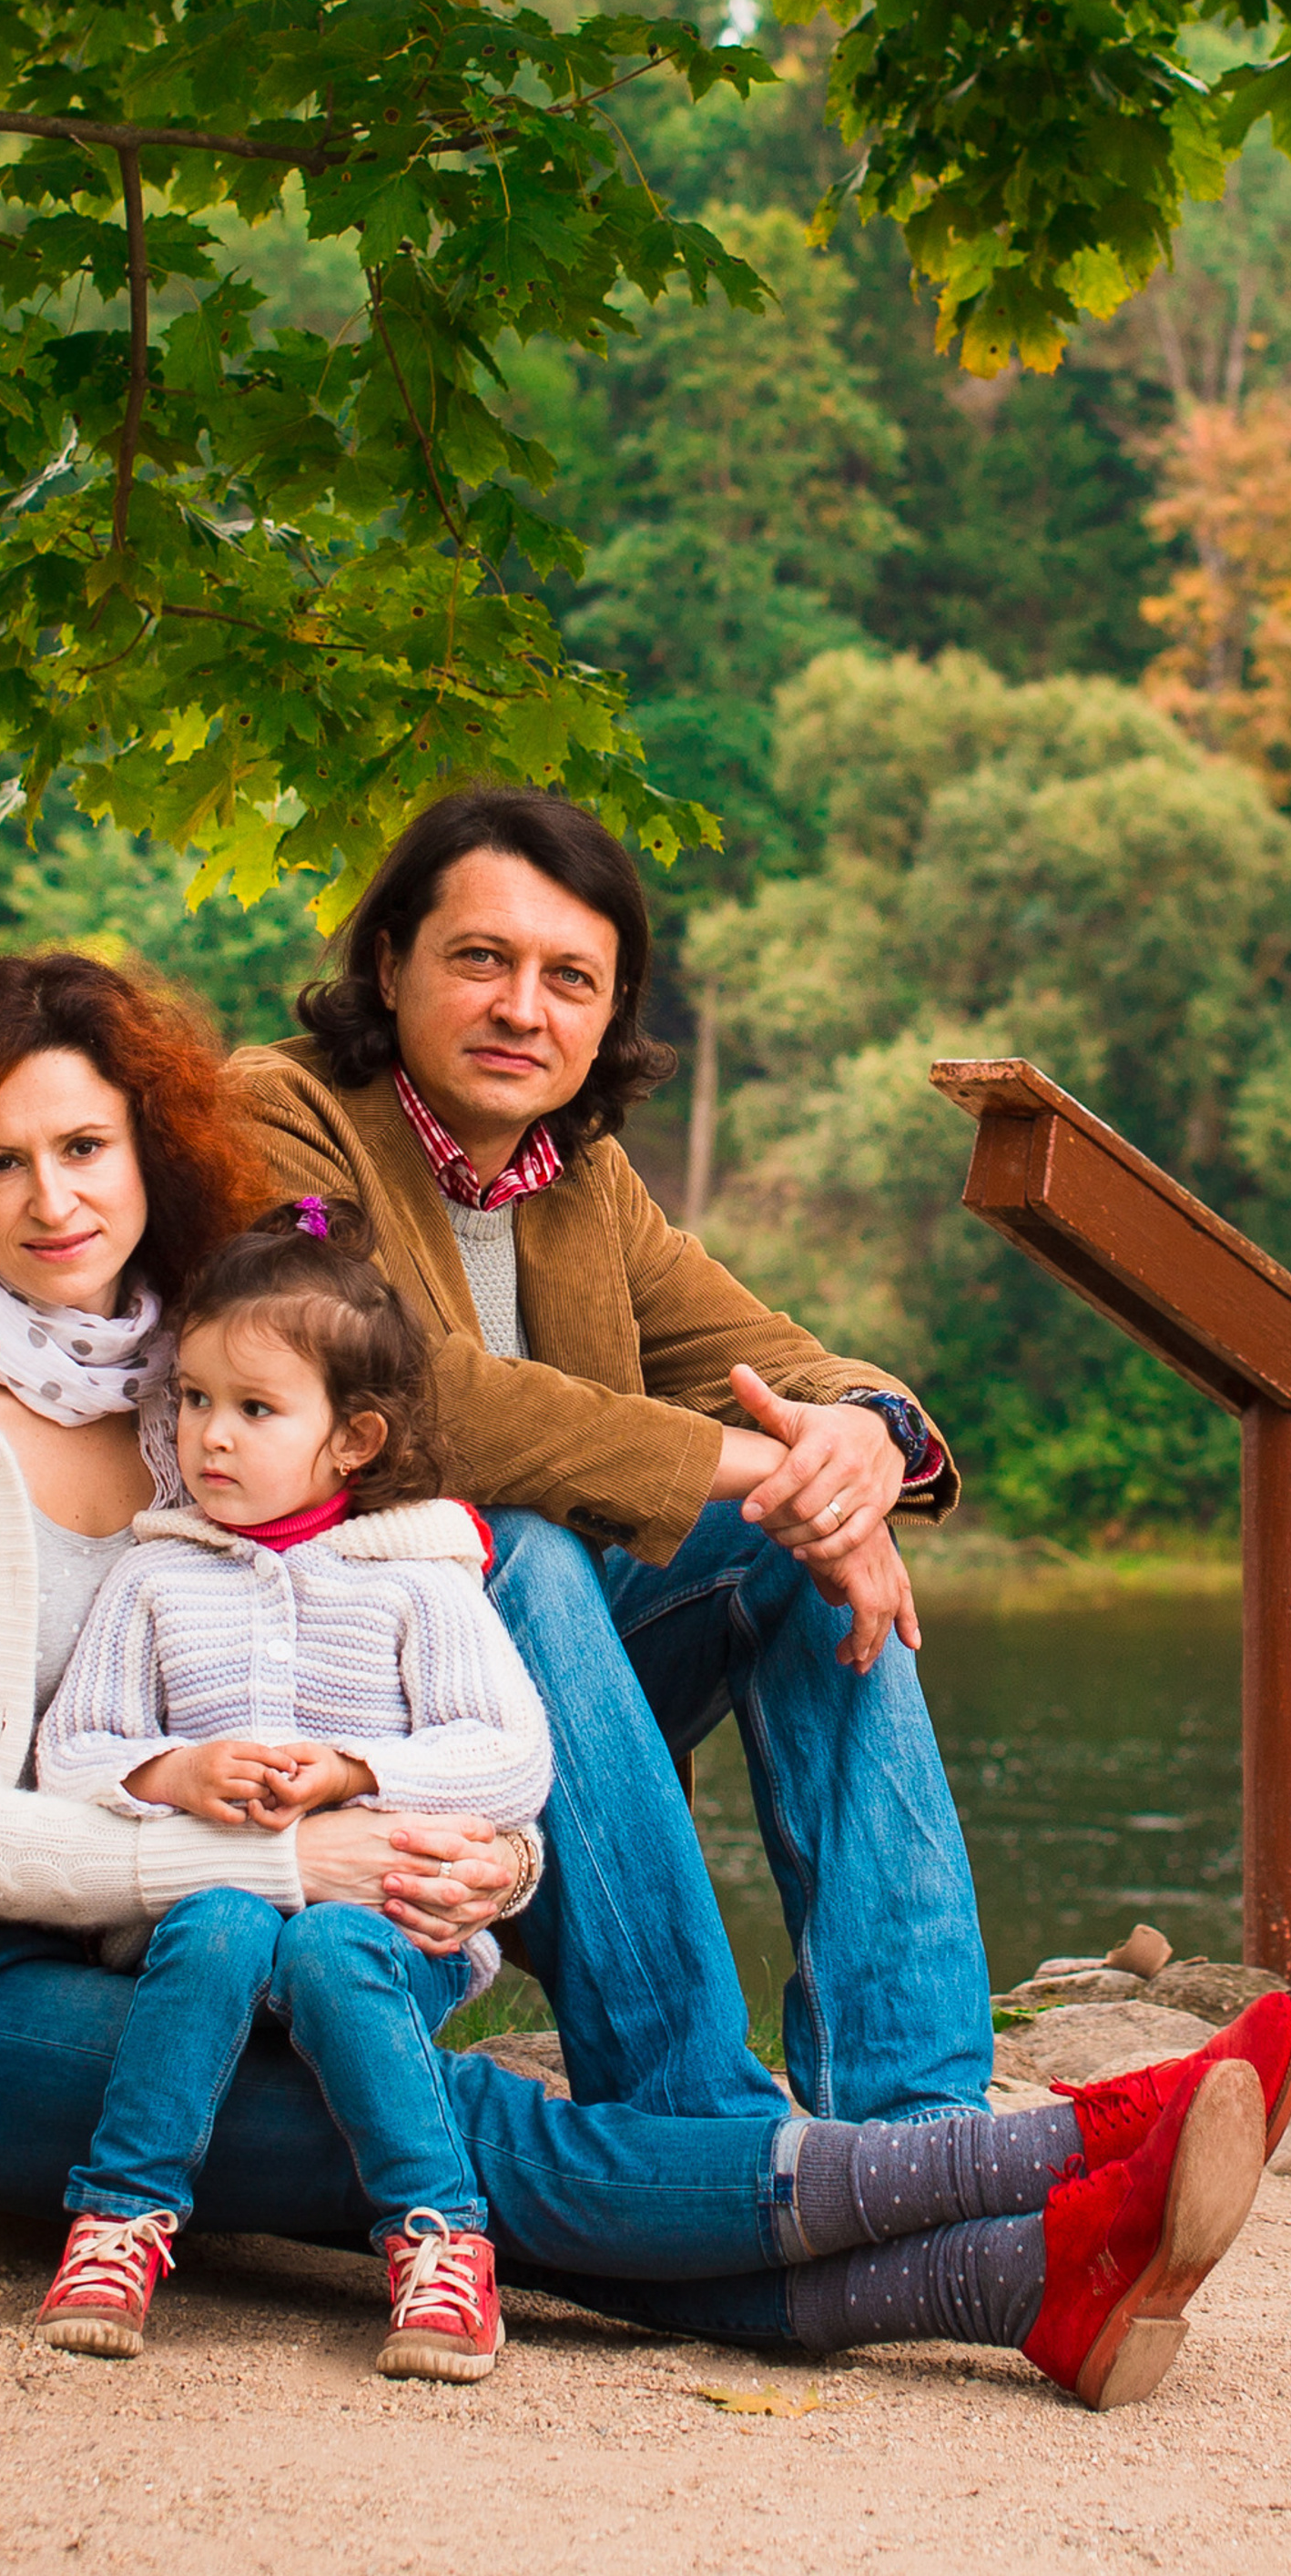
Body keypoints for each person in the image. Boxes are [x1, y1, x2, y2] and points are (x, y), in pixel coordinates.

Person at [0, 947, 1291, 2407]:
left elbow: (370, 1655)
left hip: (268, 1922)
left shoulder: (203, 1379)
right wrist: (301, 1854)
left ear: (146, 1150)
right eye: (0, 1162)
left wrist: (481, 1845)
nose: (54, 1200)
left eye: (84, 1147)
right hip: (45, 1974)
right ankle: (1031, 2168)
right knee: (451, 2131)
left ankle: (1019, 2266)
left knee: (733, 1558)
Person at [234, 788, 993, 2126]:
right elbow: (396, 1401)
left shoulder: (577, 1177)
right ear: (392, 959)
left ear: (610, 1013)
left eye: (570, 978)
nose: (525, 1008)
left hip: (558, 1692)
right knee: (512, 1539)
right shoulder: (276, 1116)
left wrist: (862, 1441)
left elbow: (780, 1355)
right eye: (482, 959)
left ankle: (917, 2120)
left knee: (801, 1539)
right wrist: (757, 1464)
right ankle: (698, 2125)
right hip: (339, 1700)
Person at [33, 1196, 553, 2380]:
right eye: (197, 1401)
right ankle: (119, 2225)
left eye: (257, 1410)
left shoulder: (417, 1576)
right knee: (217, 1926)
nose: (213, 1437)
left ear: (352, 1440)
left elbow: (513, 1757)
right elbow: (74, 1754)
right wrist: (174, 1769)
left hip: (378, 1934)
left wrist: (364, 1768)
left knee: (328, 1953)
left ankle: (439, 2242)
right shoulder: (158, 1573)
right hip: (196, 1916)